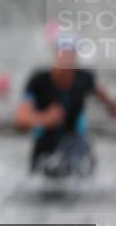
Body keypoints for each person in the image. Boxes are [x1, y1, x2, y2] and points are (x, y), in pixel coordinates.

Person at [14, 35, 116, 178]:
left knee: (82, 165)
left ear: (75, 57)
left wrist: (111, 107)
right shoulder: (39, 81)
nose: (66, 59)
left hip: (74, 137)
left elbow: (100, 92)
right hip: (46, 138)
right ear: (55, 55)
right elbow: (20, 118)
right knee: (42, 177)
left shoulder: (84, 78)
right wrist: (44, 118)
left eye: (70, 54)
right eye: (62, 54)